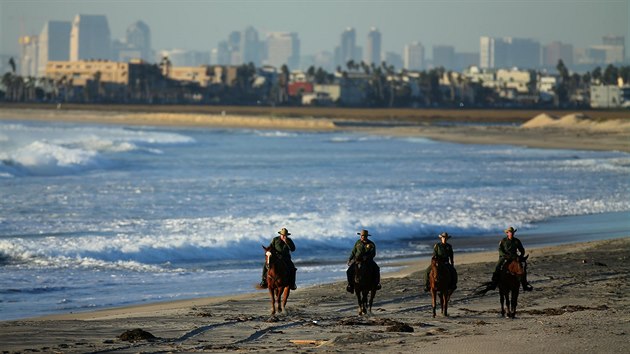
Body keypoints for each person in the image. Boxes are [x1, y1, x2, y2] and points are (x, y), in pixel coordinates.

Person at [488, 226, 533, 291]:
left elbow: (521, 249)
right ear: (507, 233)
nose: (511, 233)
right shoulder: (503, 241)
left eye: (512, 232)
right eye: (510, 232)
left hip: (514, 256)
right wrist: (504, 255)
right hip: (505, 256)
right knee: (497, 266)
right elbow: (500, 250)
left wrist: (521, 255)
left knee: (522, 267)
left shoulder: (517, 241)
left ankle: (524, 284)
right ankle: (494, 283)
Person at [346, 229, 381, 293]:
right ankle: (350, 285)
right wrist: (350, 259)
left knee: (377, 269)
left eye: (364, 236)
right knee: (348, 271)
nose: (362, 237)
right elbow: (353, 251)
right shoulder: (358, 242)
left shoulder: (371, 244)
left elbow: (373, 253)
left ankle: (377, 284)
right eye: (361, 236)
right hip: (357, 260)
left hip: (368, 261)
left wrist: (367, 257)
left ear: (367, 236)